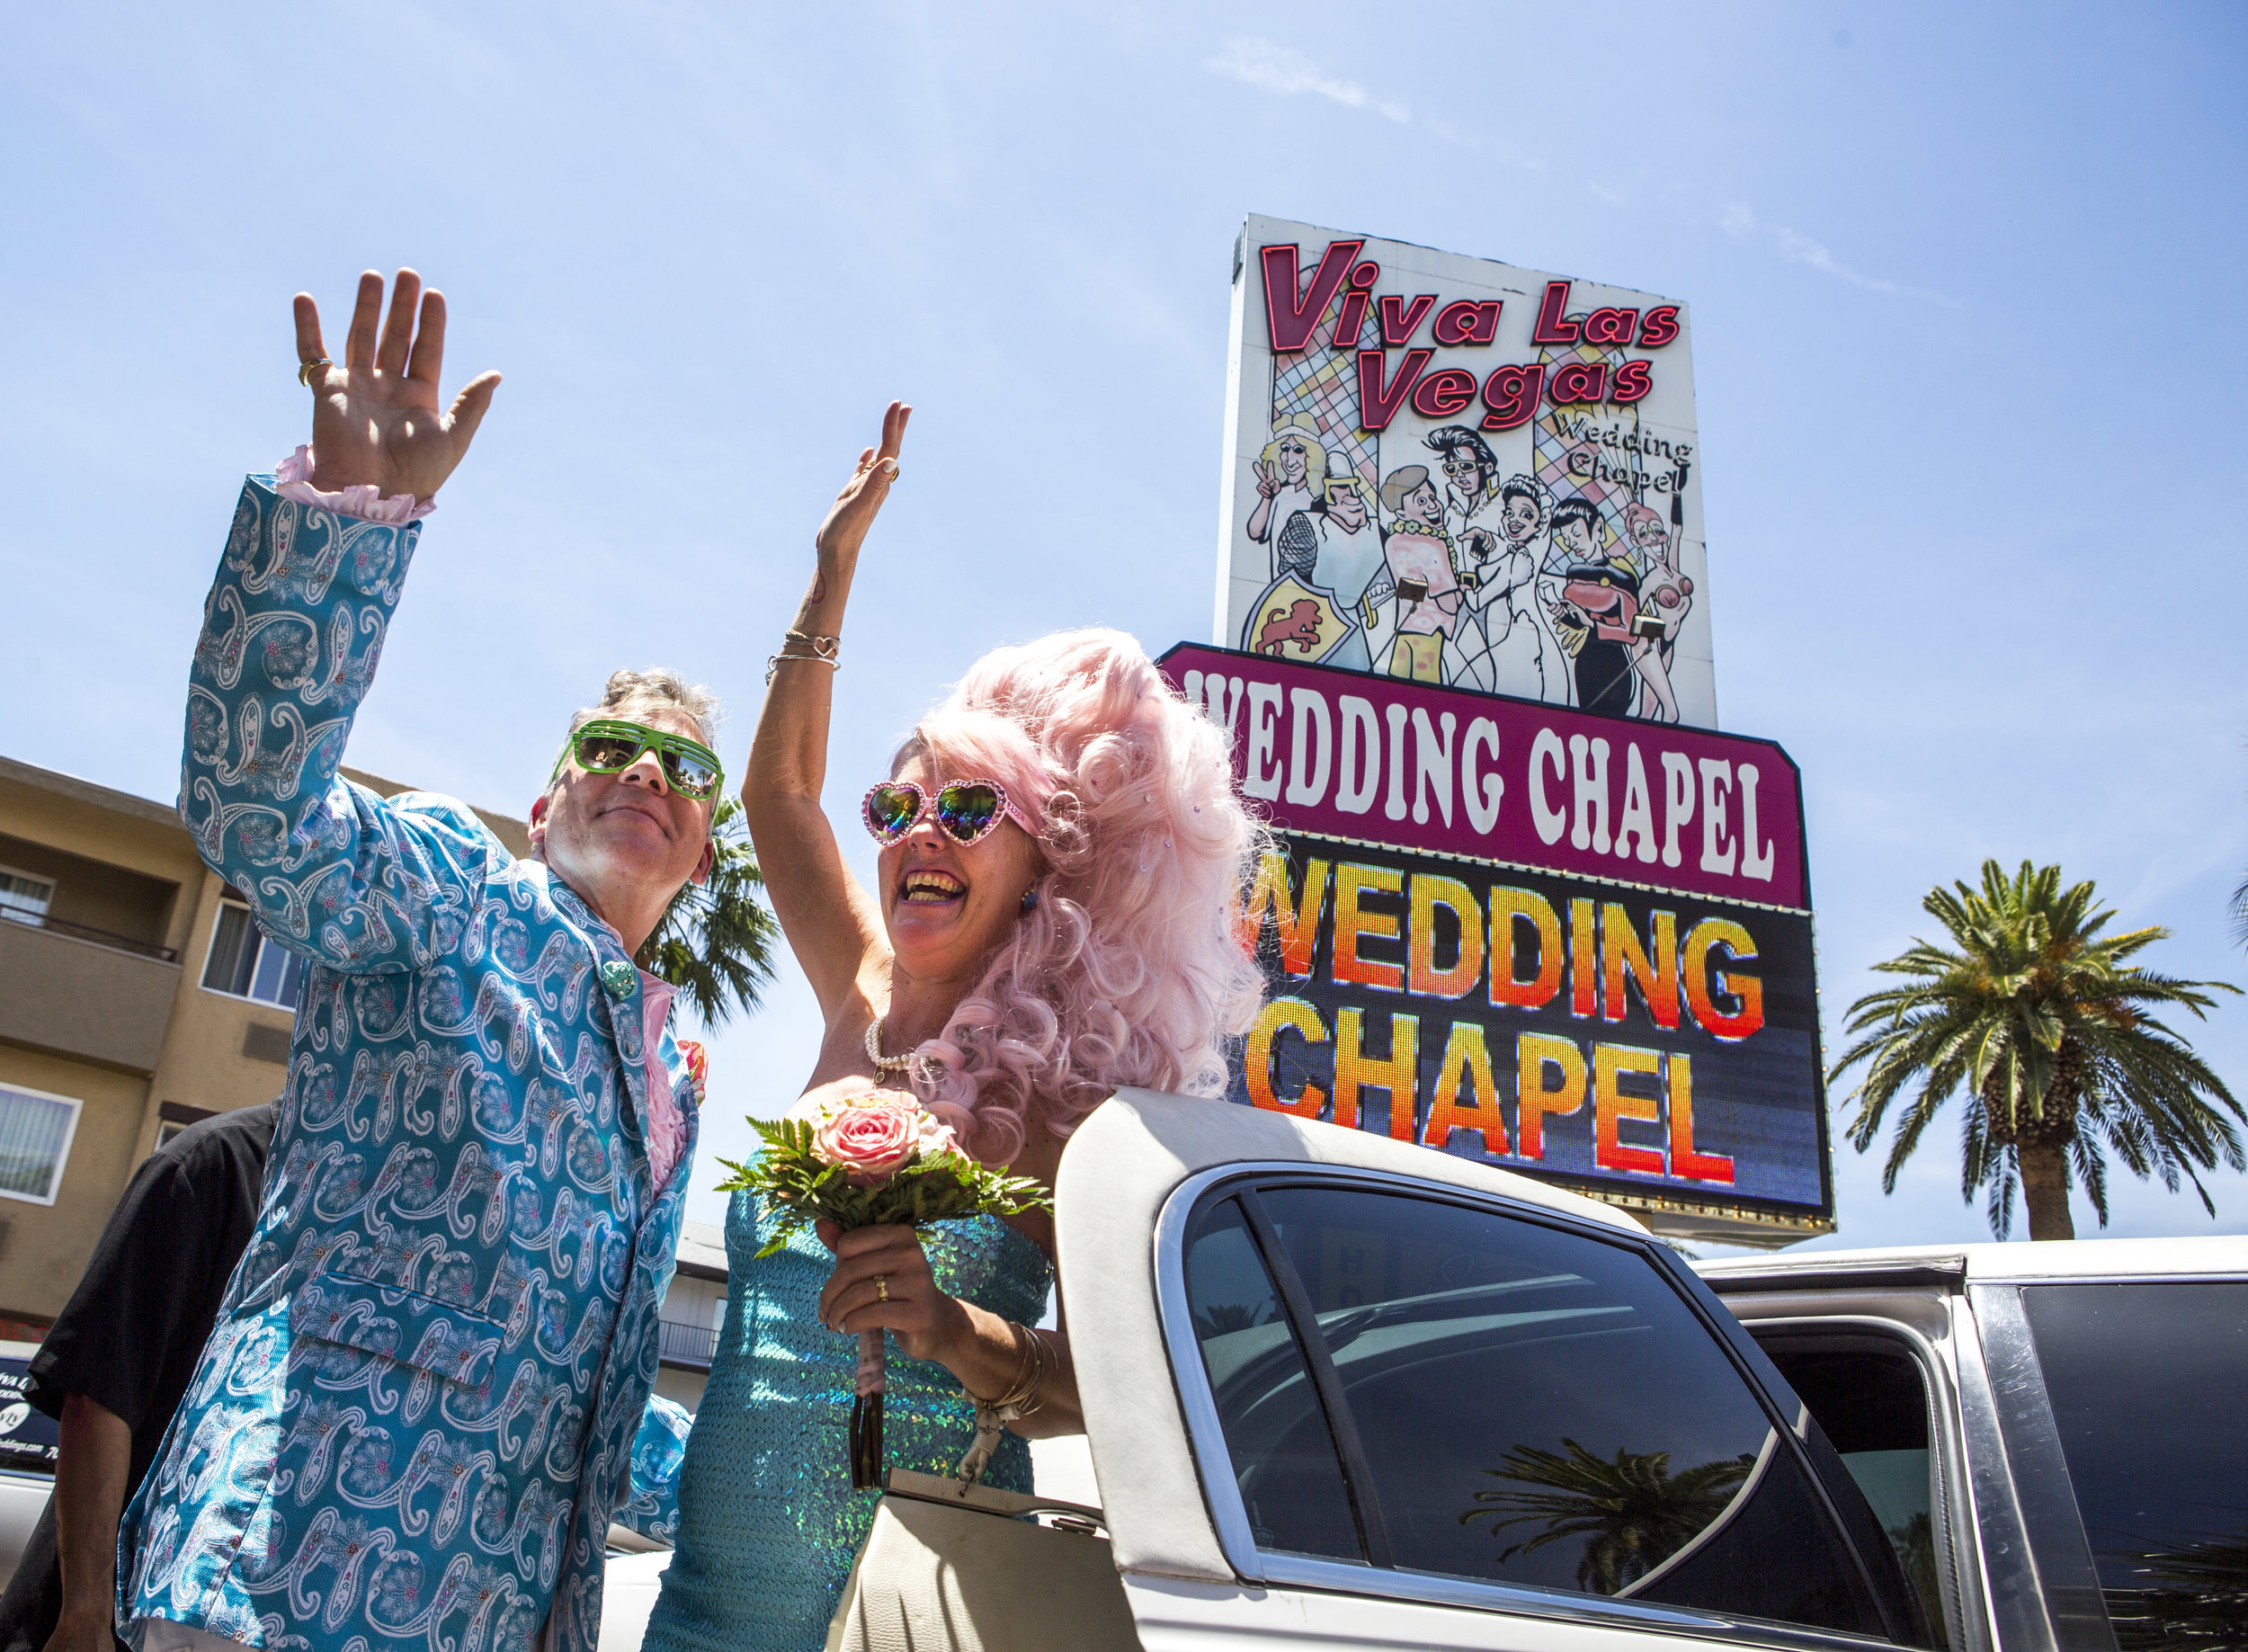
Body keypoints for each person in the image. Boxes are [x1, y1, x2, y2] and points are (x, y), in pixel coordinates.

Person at [115, 269, 707, 1652]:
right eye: (602, 747)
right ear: (545, 801)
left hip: (495, 1618)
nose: (639, 769)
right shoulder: (446, 888)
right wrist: (343, 520)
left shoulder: (673, 1063)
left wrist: (834, 1459)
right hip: (286, 1566)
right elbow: (257, 802)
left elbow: (589, 1379)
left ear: (699, 853)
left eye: (680, 765)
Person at [641, 405, 1269, 1652]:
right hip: (705, 1600)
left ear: (1050, 865)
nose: (922, 829)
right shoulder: (856, 991)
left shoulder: (1066, 1109)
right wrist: (832, 576)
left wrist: (947, 1328)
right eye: (903, 803)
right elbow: (777, 795)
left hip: (906, 1607)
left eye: (972, 807)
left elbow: (1108, 1393)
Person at [0, 1103, 277, 1652]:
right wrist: (84, 1615)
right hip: (106, 1624)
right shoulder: (214, 1165)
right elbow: (99, 1391)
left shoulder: (372, 1213)